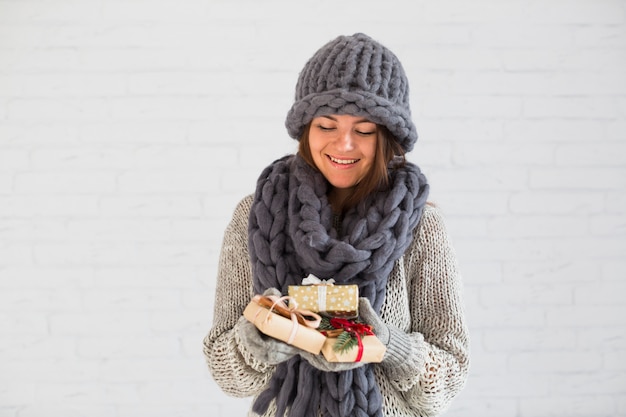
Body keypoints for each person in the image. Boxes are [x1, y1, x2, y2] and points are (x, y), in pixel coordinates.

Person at [203, 33, 470, 417]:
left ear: (388, 138)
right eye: (327, 126)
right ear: (306, 130)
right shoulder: (255, 216)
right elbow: (227, 376)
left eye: (363, 131)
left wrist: (386, 344)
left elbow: (449, 377)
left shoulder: (422, 225)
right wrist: (259, 339)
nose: (344, 144)